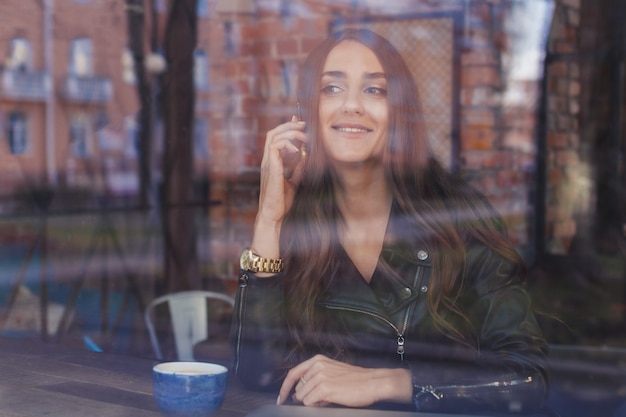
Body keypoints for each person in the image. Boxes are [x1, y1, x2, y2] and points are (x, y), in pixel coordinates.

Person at [231, 28, 548, 414]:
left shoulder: (458, 215)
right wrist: (269, 222)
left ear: (399, 109)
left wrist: (389, 382)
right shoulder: (300, 222)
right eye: (331, 89)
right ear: (306, 112)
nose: (351, 105)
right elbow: (260, 378)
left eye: (374, 90)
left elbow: (527, 377)